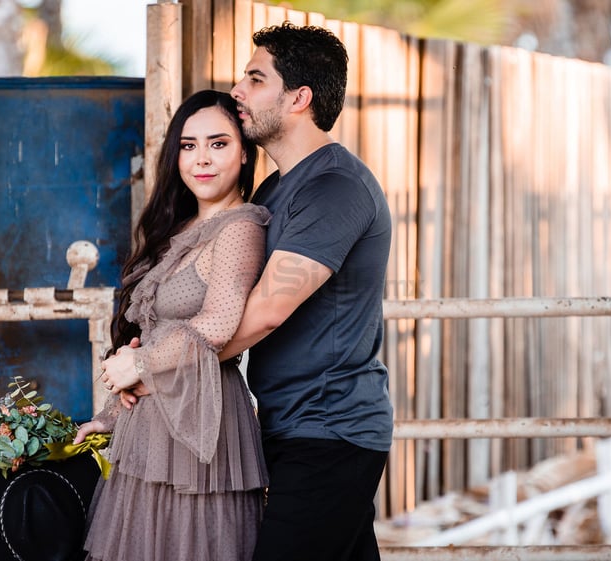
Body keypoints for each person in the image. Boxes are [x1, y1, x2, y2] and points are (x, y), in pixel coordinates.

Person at [73, 89, 270, 561]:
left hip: (201, 425)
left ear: (244, 153)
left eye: (218, 144)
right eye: (188, 145)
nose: (201, 158)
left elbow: (218, 324)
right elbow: (152, 335)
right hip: (148, 429)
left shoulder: (241, 227)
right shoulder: (176, 230)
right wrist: (108, 416)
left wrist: (138, 364)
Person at [224, 21, 394, 561]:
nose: (237, 92)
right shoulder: (278, 186)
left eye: (254, 79)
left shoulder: (335, 187)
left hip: (331, 430)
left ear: (299, 98)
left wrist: (167, 366)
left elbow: (269, 309)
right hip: (292, 423)